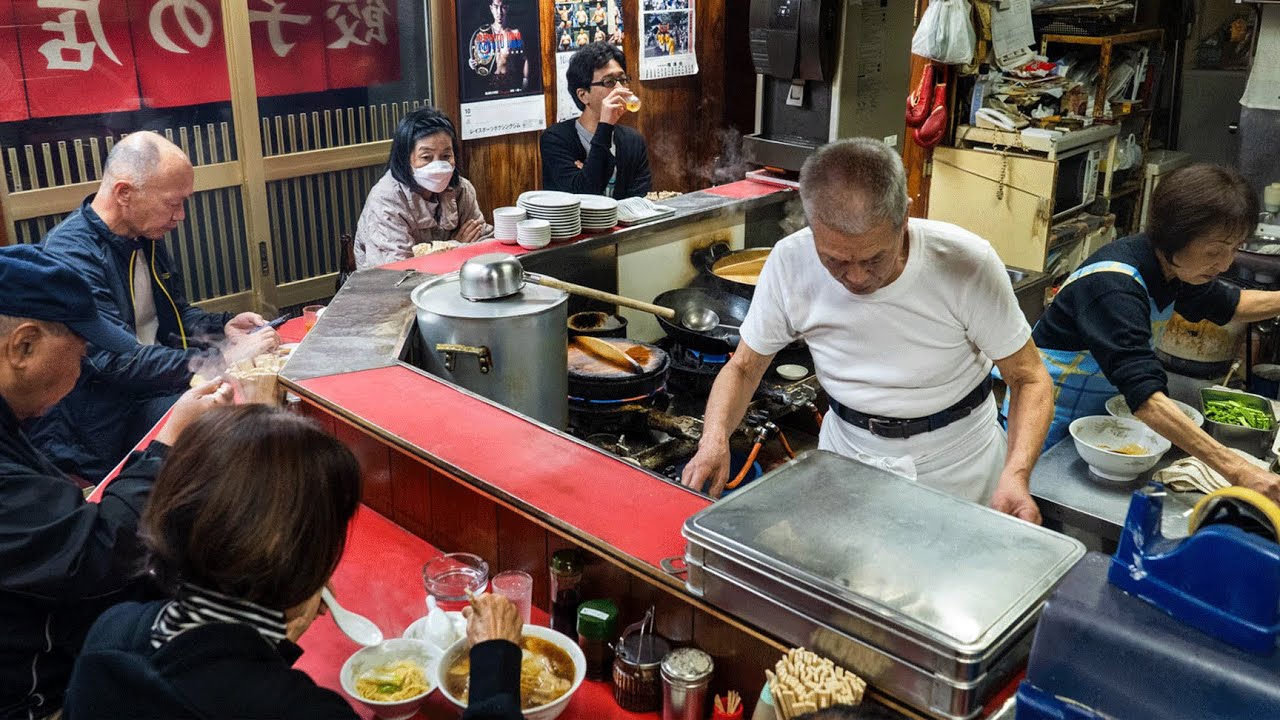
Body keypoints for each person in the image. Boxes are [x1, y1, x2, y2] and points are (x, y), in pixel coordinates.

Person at [681, 139, 1053, 523]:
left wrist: (1016, 474)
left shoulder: (965, 263)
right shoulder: (790, 262)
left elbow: (1029, 379)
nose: (856, 278)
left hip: (958, 464)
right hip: (846, 458)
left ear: (904, 217)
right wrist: (714, 438)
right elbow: (743, 368)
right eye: (835, 260)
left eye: (874, 257)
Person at [0, 244, 229, 720]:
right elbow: (98, 552)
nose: (84, 365)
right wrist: (169, 441)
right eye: (81, 351)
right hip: (39, 695)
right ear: (22, 346)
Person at [63, 405, 362, 719]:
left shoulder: (113, 629)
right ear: (305, 557)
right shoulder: (308, 710)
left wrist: (274, 645)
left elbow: (208, 679)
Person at [31, 131, 278, 482]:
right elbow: (115, 360)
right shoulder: (71, 255)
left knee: (258, 402)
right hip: (104, 417)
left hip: (152, 387)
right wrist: (221, 358)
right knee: (236, 424)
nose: (181, 216)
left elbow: (174, 317)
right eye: (173, 203)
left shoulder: (143, 235)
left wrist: (222, 328)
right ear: (124, 193)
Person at [1033, 164, 1280, 502]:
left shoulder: (1171, 268)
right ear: (1175, 236)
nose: (1225, 264)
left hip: (1096, 424)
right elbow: (1145, 399)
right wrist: (1237, 469)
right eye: (1215, 251)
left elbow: (1232, 304)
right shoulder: (1114, 286)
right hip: (1043, 426)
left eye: (1234, 248)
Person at [354, 108, 491, 268]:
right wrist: (456, 246)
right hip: (390, 288)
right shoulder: (386, 200)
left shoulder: (462, 189)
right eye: (426, 157)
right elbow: (398, 269)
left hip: (453, 281)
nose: (438, 165)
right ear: (405, 158)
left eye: (446, 156)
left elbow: (483, 243)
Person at [541, 42, 652, 199]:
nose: (620, 89)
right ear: (583, 95)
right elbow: (583, 195)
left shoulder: (632, 141)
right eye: (609, 82)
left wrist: (586, 169)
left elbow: (639, 199)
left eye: (623, 79)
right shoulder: (556, 139)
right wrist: (605, 126)